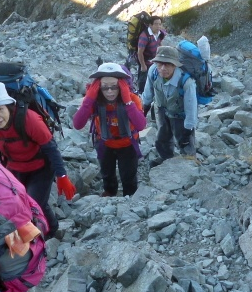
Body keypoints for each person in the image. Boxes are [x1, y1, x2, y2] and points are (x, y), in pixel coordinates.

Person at [0, 82, 76, 238]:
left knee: (33, 203)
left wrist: (61, 175)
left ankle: (51, 232)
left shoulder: (29, 119)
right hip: (13, 167)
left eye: (0, 109)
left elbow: (51, 148)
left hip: (41, 168)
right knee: (18, 203)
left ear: (9, 106)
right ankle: (33, 231)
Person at [72, 63, 146, 196]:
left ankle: (130, 198)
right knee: (107, 174)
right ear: (98, 88)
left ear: (122, 86)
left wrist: (128, 101)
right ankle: (110, 193)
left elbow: (141, 125)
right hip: (105, 143)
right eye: (105, 88)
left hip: (128, 144)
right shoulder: (95, 101)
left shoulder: (133, 99)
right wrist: (89, 99)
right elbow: (77, 124)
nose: (110, 92)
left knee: (129, 176)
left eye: (114, 87)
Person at [141, 45, 197, 166]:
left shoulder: (186, 82)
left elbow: (191, 108)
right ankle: (166, 159)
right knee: (162, 137)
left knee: (185, 141)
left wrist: (188, 129)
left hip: (180, 114)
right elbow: (148, 93)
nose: (162, 68)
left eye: (167, 64)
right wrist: (143, 109)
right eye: (159, 64)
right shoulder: (153, 72)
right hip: (161, 109)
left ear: (175, 65)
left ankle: (189, 163)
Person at [135, 15, 167, 96]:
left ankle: (152, 93)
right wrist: (143, 65)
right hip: (145, 61)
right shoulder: (144, 36)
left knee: (153, 77)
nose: (158, 26)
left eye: (160, 24)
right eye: (156, 24)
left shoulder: (158, 33)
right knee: (144, 78)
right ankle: (141, 94)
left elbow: (159, 43)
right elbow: (140, 52)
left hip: (154, 60)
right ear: (150, 25)